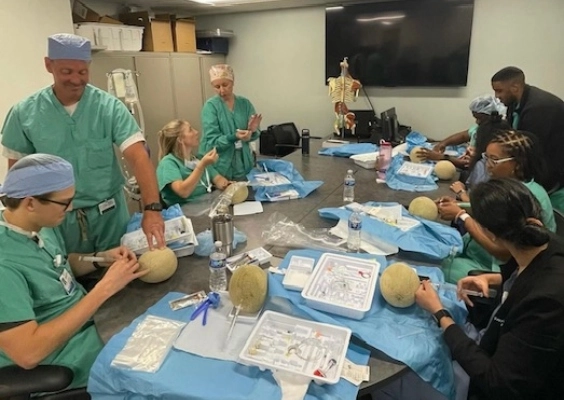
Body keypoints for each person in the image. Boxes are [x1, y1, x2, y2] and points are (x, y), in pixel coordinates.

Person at [0, 33, 165, 254]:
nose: (76, 79)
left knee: (119, 272)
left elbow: (138, 156)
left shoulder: (108, 108)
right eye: (67, 72)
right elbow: (18, 177)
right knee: (65, 277)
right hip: (56, 220)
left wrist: (152, 210)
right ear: (49, 65)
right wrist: (21, 228)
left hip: (109, 215)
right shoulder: (24, 114)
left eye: (82, 72)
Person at [0, 154, 147, 389]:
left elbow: (58, 264)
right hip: (61, 356)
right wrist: (103, 289)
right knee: (149, 362)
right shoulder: (5, 265)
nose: (71, 208)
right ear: (30, 203)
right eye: (64, 202)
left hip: (89, 322)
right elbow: (28, 354)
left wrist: (100, 259)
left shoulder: (40, 225)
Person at [415, 178, 564, 400]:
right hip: (495, 347)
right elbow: (529, 271)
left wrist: (441, 315)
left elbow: (496, 382)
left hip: (495, 386)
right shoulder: (542, 241)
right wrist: (496, 278)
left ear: (490, 234)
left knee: (403, 380)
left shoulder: (545, 303)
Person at [438, 130, 556, 283]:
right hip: (480, 256)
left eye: (494, 160)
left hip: (498, 271)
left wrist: (462, 216)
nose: (487, 166)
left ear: (517, 164)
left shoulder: (524, 197)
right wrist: (457, 205)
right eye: (486, 157)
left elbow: (503, 253)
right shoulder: (509, 186)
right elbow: (492, 210)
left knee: (436, 268)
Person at [491, 66, 564, 191]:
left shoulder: (539, 108)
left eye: (499, 91)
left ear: (515, 87)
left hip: (552, 172)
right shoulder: (514, 104)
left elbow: (528, 149)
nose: (497, 96)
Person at [199, 64, 262, 181]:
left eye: (225, 85)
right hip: (221, 167)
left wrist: (252, 131)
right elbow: (212, 141)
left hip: (243, 164)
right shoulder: (211, 107)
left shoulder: (245, 104)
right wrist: (233, 137)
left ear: (233, 82)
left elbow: (255, 133)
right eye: (217, 87)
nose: (222, 90)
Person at [156, 119, 232, 207]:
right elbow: (183, 191)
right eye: (190, 130)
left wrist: (227, 185)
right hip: (183, 216)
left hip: (205, 210)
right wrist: (201, 166)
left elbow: (217, 178)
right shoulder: (168, 163)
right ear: (180, 139)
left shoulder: (197, 158)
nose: (196, 132)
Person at [417, 95, 506, 169]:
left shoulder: (494, 135)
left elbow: (470, 164)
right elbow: (464, 136)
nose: (477, 122)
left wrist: (442, 157)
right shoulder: (480, 128)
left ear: (491, 116)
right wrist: (443, 143)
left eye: (479, 118)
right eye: (476, 118)